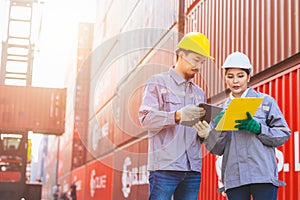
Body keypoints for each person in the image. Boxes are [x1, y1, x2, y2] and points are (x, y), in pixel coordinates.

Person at [194, 51, 291, 200]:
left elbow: (284, 133)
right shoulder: (220, 111)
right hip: (235, 179)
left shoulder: (265, 102)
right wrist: (213, 133)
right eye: (230, 76)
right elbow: (217, 149)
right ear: (225, 78)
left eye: (240, 75)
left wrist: (259, 129)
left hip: (262, 176)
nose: (235, 81)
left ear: (248, 76)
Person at [138, 32, 214, 200]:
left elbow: (199, 134)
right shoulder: (157, 82)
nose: (199, 67)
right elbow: (145, 118)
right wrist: (177, 115)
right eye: (196, 60)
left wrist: (205, 134)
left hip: (192, 170)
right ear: (181, 54)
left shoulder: (199, 93)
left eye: (202, 62)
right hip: (165, 168)